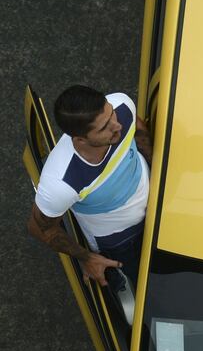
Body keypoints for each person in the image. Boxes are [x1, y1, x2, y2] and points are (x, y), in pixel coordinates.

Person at [27, 85, 152, 292]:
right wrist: (87, 258)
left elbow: (136, 128)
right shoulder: (62, 183)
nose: (117, 125)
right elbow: (39, 227)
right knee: (154, 288)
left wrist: (156, 168)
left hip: (159, 202)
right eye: (104, 128)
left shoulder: (122, 106)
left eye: (111, 113)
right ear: (80, 140)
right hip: (122, 241)